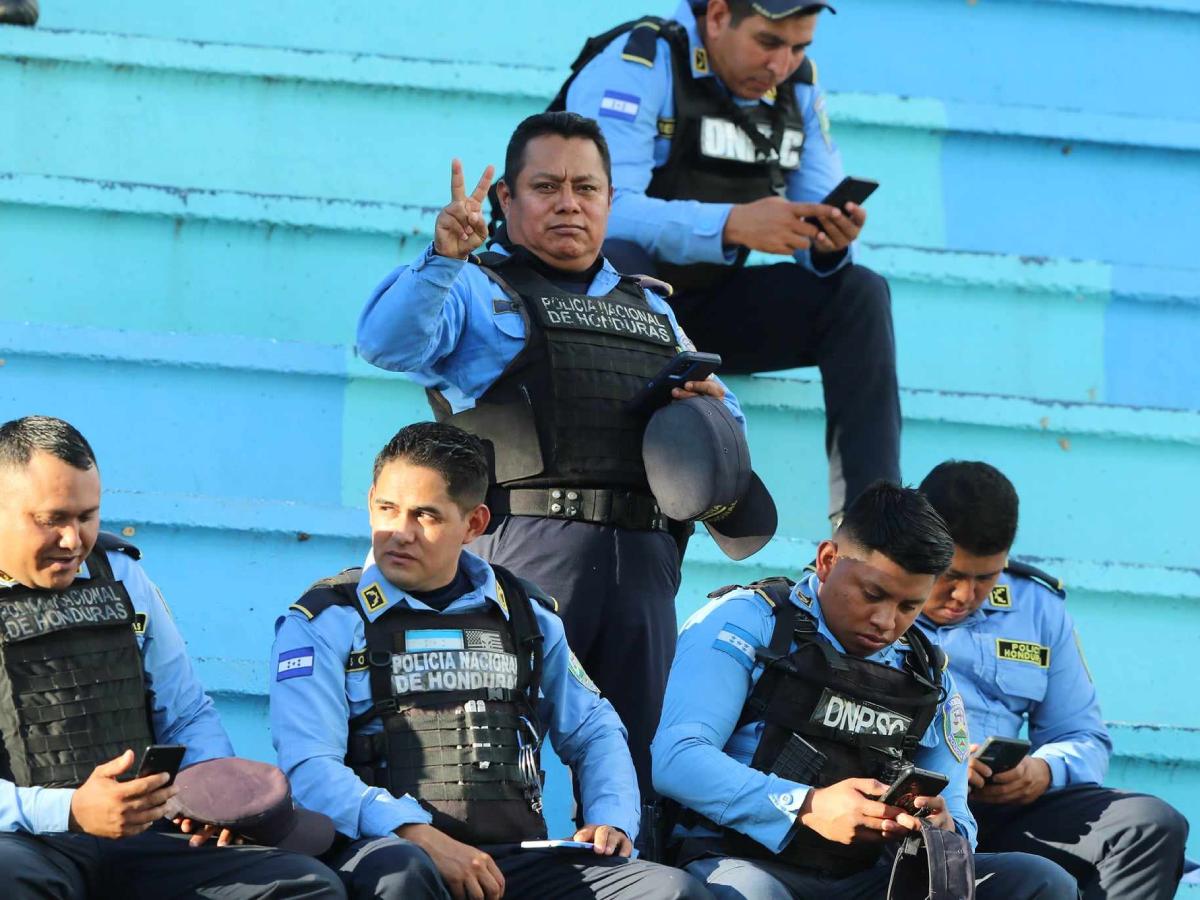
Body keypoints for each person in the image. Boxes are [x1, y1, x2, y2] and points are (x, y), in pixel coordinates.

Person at [355, 110, 747, 804]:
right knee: (490, 765)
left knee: (641, 774)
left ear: (609, 200)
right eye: (546, 186)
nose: (569, 202)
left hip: (646, 563)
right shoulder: (478, 288)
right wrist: (444, 259)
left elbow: (727, 429)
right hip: (526, 554)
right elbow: (386, 343)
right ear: (507, 201)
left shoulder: (652, 309)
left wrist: (709, 407)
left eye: (586, 188)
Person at [269, 422, 709, 900]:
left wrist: (611, 817)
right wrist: (416, 833)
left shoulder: (526, 613)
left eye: (426, 516)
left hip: (515, 857)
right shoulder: (326, 619)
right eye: (386, 509)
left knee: (672, 892)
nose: (400, 533)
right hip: (384, 849)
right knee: (402, 875)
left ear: (474, 524)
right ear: (370, 498)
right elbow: (310, 768)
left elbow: (594, 728)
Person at [557, 0, 900, 526]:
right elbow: (599, 210)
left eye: (798, 47)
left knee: (859, 292)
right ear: (716, 17)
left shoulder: (798, 86)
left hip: (705, 308)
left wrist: (828, 242)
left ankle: (873, 530)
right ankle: (613, 496)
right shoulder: (639, 61)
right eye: (768, 42)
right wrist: (731, 225)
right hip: (602, 313)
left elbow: (816, 210)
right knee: (616, 259)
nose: (781, 63)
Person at [651, 481, 1077, 898]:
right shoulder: (748, 621)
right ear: (828, 560)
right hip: (744, 862)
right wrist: (807, 805)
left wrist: (942, 826)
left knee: (1039, 881)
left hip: (871, 876)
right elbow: (677, 758)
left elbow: (959, 812)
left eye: (910, 606)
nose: (886, 621)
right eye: (874, 594)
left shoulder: (929, 673)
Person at [0, 415, 345, 900]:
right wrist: (73, 810)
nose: (74, 541)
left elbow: (186, 714)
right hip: (29, 841)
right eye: (51, 519)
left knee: (307, 886)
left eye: (86, 517)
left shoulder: (121, 575)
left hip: (143, 836)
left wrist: (214, 798)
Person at [916, 460, 1189, 900]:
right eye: (950, 576)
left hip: (1004, 810)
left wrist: (1043, 771)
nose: (965, 596)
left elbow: (1082, 733)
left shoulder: (1037, 607)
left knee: (1150, 824)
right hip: (917, 808)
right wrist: (940, 765)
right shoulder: (875, 602)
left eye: (985, 577)